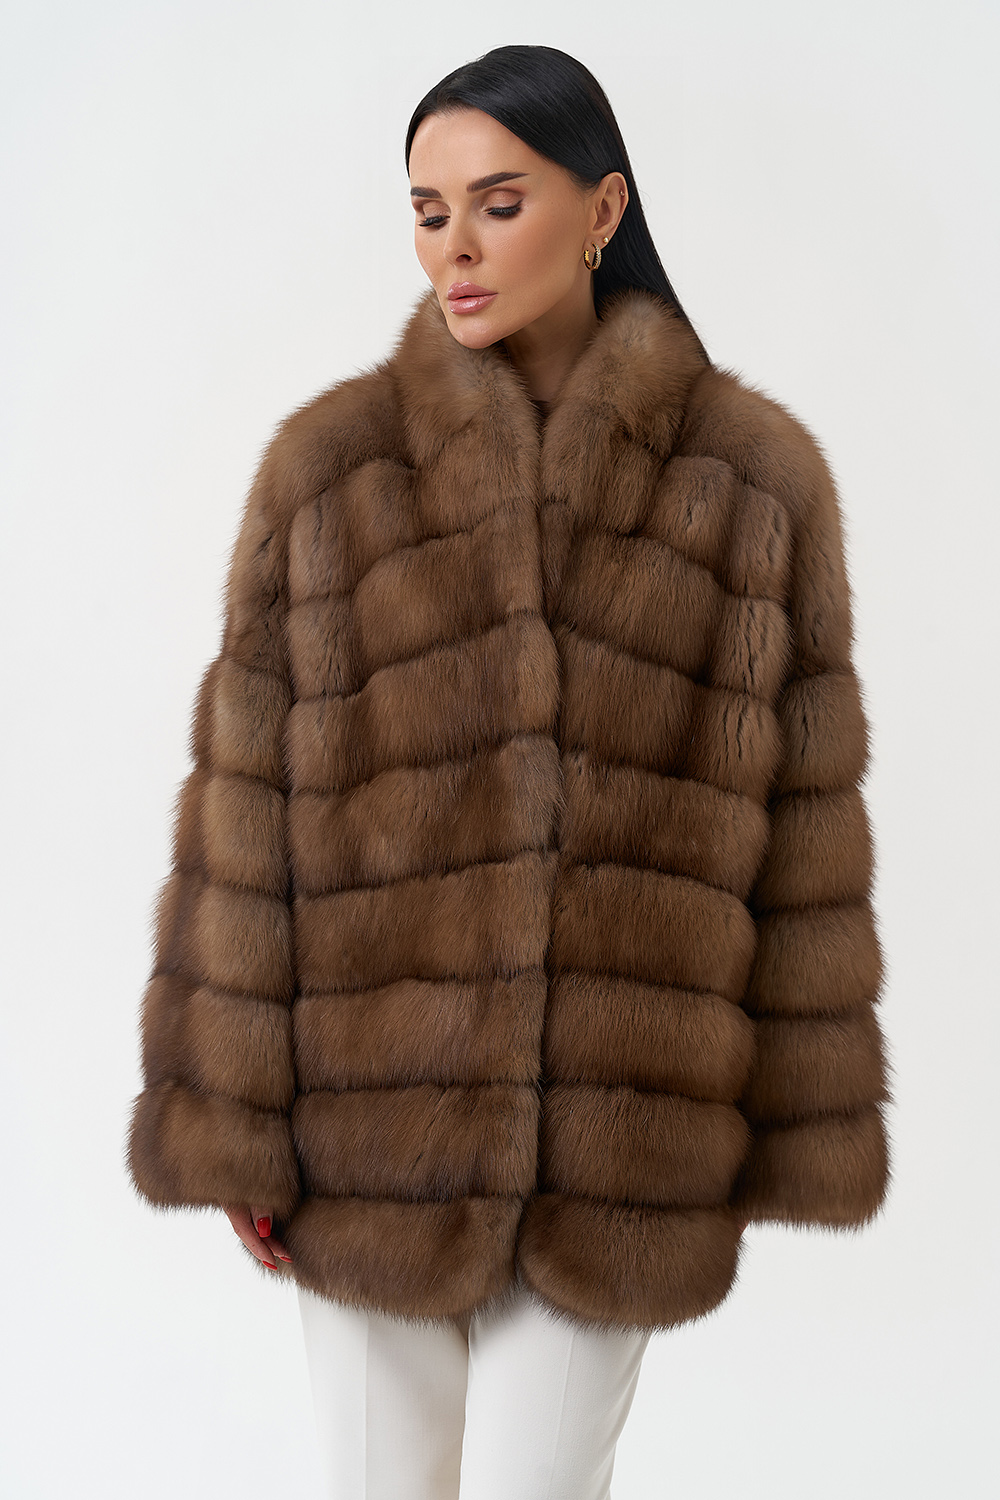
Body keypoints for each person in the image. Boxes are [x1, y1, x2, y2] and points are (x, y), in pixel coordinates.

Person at [125, 43, 891, 1500]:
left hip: (621, 1152)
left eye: (497, 202)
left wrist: (785, 1128)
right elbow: (243, 817)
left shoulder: (752, 485)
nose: (455, 250)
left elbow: (806, 831)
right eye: (428, 212)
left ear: (604, 209)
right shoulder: (331, 473)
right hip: (363, 1136)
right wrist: (234, 1120)